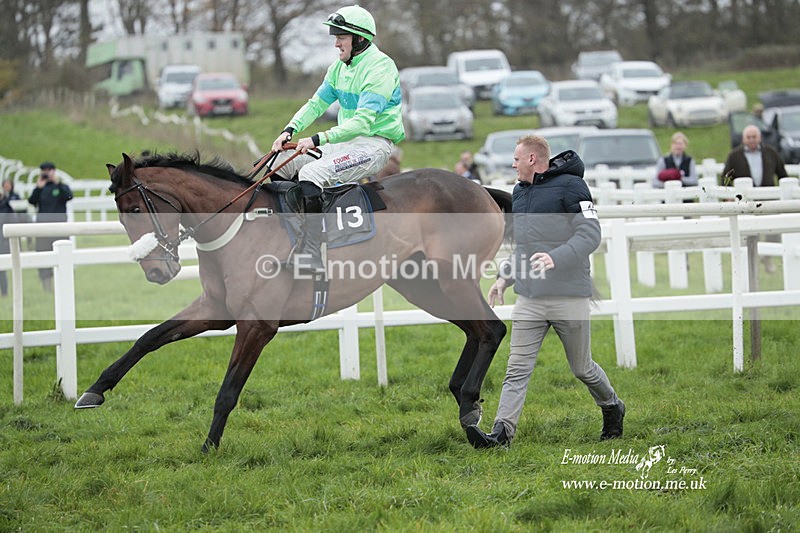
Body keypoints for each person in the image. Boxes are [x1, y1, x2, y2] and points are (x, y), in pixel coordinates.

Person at [466, 135, 625, 449]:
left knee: (582, 368)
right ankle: (502, 434)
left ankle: (611, 406)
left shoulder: (572, 187)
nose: (512, 164)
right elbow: (524, 248)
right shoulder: (520, 192)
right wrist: (504, 278)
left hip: (569, 296)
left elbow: (590, 233)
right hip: (530, 299)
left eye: (516, 158)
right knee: (516, 370)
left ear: (532, 160)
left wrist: (556, 257)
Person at [269, 5, 404, 274]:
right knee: (278, 164)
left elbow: (363, 123)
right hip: (342, 143)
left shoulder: (380, 68)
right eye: (335, 36)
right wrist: (289, 130)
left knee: (310, 173)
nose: (336, 43)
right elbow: (316, 104)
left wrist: (319, 138)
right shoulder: (338, 68)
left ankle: (313, 254)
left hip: (373, 145)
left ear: (360, 39)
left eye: (341, 36)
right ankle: (293, 236)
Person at [723, 125, 788, 273]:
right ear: (744, 139)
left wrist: (784, 193)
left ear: (759, 138)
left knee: (775, 228)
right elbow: (726, 177)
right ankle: (752, 262)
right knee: (751, 231)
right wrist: (727, 196)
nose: (752, 140)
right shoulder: (734, 156)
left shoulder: (771, 153)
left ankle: (767, 256)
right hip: (746, 202)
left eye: (754, 137)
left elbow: (782, 174)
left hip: (768, 200)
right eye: (749, 137)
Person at [28, 161, 73, 291]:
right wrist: (38, 187)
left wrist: (57, 183)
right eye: (44, 170)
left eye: (49, 170)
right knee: (43, 257)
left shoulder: (61, 187)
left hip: (60, 228)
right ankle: (47, 287)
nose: (47, 172)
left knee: (63, 258)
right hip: (42, 228)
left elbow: (69, 196)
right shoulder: (40, 188)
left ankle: (63, 286)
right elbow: (31, 201)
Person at [0, 178, 21, 297]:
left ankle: (4, 293)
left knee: (1, 270)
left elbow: (14, 225)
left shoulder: (7, 207)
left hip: (1, 241)